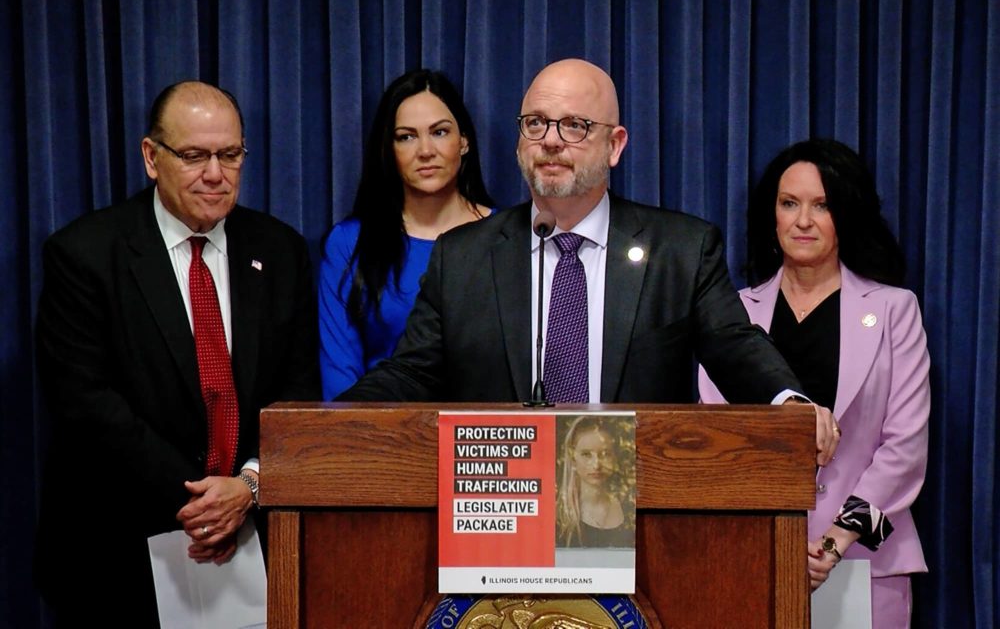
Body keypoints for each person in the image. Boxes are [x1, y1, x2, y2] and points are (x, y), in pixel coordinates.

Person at [340, 58, 839, 464]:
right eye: (536, 124)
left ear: (615, 145)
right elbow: (410, 374)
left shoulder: (680, 250)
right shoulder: (463, 256)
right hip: (503, 525)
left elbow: (734, 347)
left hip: (639, 520)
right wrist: (325, 420)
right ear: (518, 142)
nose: (551, 140)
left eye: (575, 126)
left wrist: (789, 403)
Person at [33, 81, 321, 626]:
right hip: (117, 550)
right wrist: (205, 505)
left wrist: (249, 487)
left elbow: (298, 389)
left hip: (251, 538)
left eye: (229, 155)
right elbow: (86, 405)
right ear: (151, 157)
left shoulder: (279, 250)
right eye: (194, 156)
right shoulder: (85, 254)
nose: (215, 173)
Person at [698, 139, 930, 628]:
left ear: (846, 214)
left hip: (867, 562)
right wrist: (775, 543)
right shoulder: (731, 314)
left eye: (821, 205)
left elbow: (904, 447)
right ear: (772, 214)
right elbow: (719, 439)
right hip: (751, 559)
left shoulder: (894, 310)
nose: (803, 221)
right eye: (789, 204)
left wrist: (833, 542)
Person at [319, 69, 494, 399]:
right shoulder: (348, 243)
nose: (425, 151)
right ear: (389, 149)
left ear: (465, 140)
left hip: (484, 442)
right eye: (406, 136)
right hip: (375, 440)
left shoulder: (507, 237)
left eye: (440, 132)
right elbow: (339, 382)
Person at [556, 416, 635, 548]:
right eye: (586, 454)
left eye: (605, 454)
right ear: (573, 459)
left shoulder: (629, 508)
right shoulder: (558, 516)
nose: (596, 465)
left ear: (614, 456)